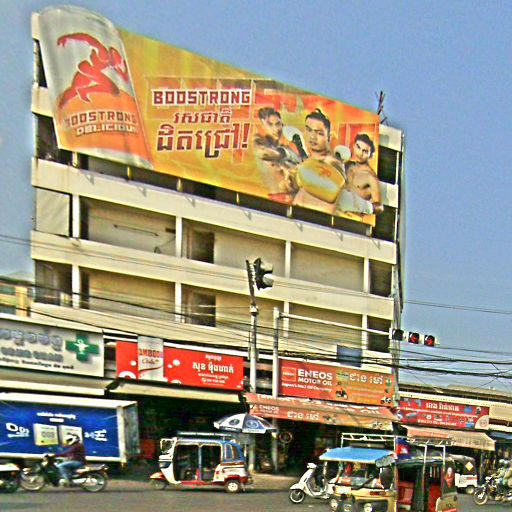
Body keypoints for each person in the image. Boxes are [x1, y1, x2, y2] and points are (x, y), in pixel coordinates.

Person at [293, 109, 346, 213]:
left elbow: (335, 188)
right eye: (309, 130)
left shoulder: (332, 163)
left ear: (329, 137)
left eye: (319, 133)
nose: (312, 137)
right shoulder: (308, 161)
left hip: (316, 217)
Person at [253, 107, 301, 204]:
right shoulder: (259, 142)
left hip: (296, 199)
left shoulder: (288, 149)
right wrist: (284, 154)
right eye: (270, 124)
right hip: (275, 200)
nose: (275, 129)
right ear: (263, 125)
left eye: (278, 124)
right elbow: (264, 153)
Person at [338, 133, 383, 215]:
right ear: (353, 146)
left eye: (365, 151)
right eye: (358, 147)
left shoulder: (371, 177)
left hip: (353, 217)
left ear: (371, 155)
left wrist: (365, 207)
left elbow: (379, 207)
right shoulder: (347, 165)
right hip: (335, 211)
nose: (360, 153)